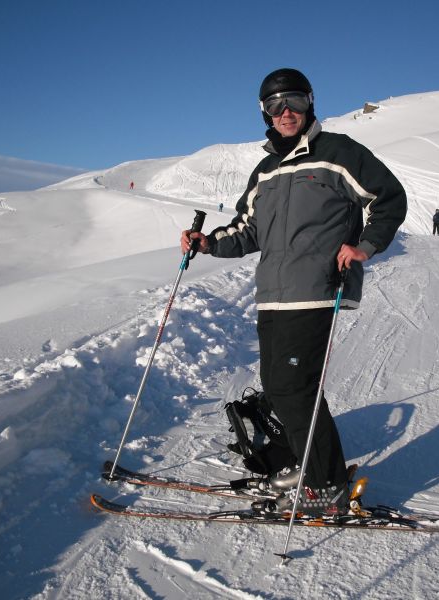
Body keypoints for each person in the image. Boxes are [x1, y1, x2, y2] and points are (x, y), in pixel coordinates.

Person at [181, 68, 407, 516]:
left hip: (318, 288)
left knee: (293, 387)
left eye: (295, 102)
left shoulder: (337, 152)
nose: (286, 113)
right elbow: (247, 231)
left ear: (310, 103)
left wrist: (364, 245)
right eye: (275, 106)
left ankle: (325, 485)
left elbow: (389, 197)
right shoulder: (266, 171)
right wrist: (208, 243)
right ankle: (311, 465)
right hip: (273, 293)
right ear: (264, 113)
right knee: (283, 388)